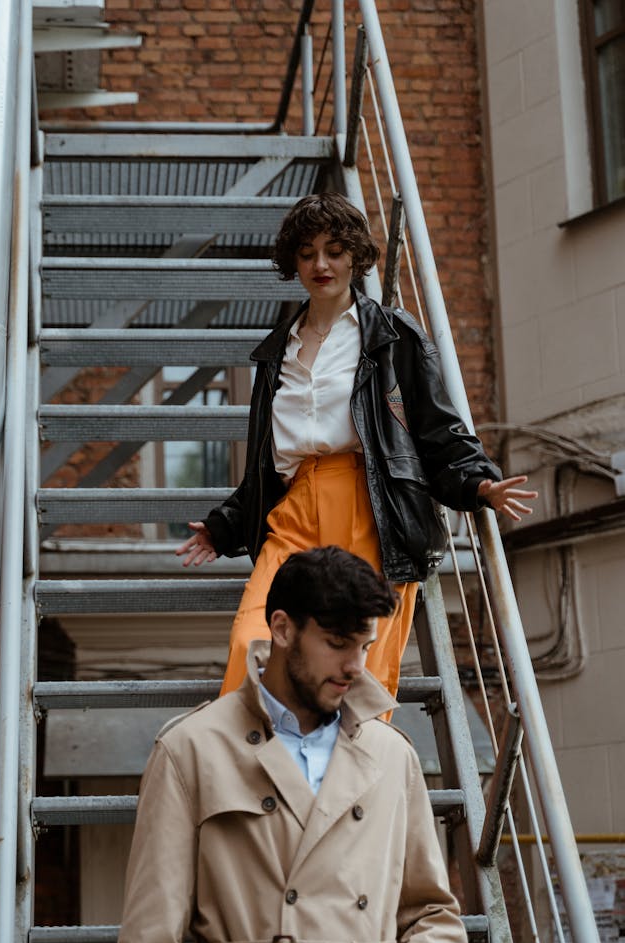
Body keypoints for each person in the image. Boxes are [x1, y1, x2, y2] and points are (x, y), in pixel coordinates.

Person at [116, 546, 484, 943]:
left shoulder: (391, 754)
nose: (356, 665)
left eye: (364, 645)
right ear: (282, 629)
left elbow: (430, 912)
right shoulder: (192, 749)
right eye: (337, 643)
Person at [176, 193, 536, 700]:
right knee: (253, 644)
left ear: (356, 257)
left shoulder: (391, 336)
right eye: (307, 252)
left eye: (335, 249)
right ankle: (251, 775)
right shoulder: (278, 351)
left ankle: (340, 779)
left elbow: (437, 429)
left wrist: (479, 482)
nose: (321, 264)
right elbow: (272, 459)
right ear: (293, 262)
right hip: (296, 511)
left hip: (374, 509)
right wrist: (225, 525)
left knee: (352, 677)